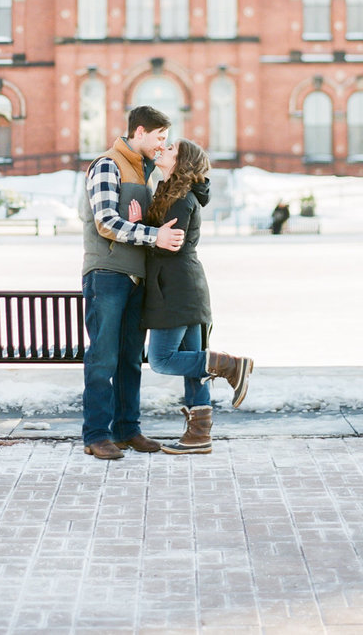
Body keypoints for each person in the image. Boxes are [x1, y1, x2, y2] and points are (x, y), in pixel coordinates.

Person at [130, 139, 254, 455]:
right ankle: (199, 436)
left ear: (182, 162)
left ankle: (230, 365)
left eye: (170, 149)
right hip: (185, 288)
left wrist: (137, 228)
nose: (163, 150)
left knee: (161, 359)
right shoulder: (173, 193)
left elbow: (169, 245)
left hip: (175, 290)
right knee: (193, 370)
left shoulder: (179, 199)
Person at [80, 105, 185, 461]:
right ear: (139, 131)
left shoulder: (145, 170)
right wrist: (150, 234)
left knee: (128, 359)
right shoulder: (107, 164)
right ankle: (96, 435)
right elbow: (106, 221)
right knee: (103, 358)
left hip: (136, 277)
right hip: (107, 275)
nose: (161, 146)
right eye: (159, 138)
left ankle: (127, 429)